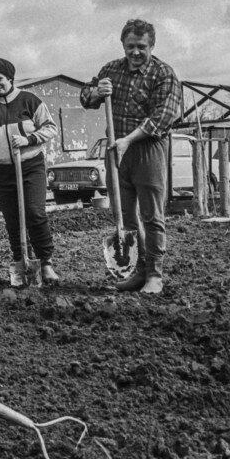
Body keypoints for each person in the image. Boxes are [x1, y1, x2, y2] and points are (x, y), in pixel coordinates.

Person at [80, 18, 182, 294]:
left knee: (152, 214)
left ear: (151, 45)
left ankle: (154, 275)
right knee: (124, 215)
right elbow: (86, 98)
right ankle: (137, 271)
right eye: (130, 47)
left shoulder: (164, 74)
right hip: (116, 150)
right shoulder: (111, 70)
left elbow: (164, 116)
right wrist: (95, 91)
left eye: (141, 47)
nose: (135, 52)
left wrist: (129, 139)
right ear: (122, 45)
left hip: (148, 148)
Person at [0, 58, 59, 287]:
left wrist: (29, 139)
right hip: (2, 169)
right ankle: (20, 261)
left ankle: (46, 263)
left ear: (10, 78)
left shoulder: (29, 100)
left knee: (34, 213)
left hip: (30, 166)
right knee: (12, 220)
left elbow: (50, 127)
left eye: (0, 79)